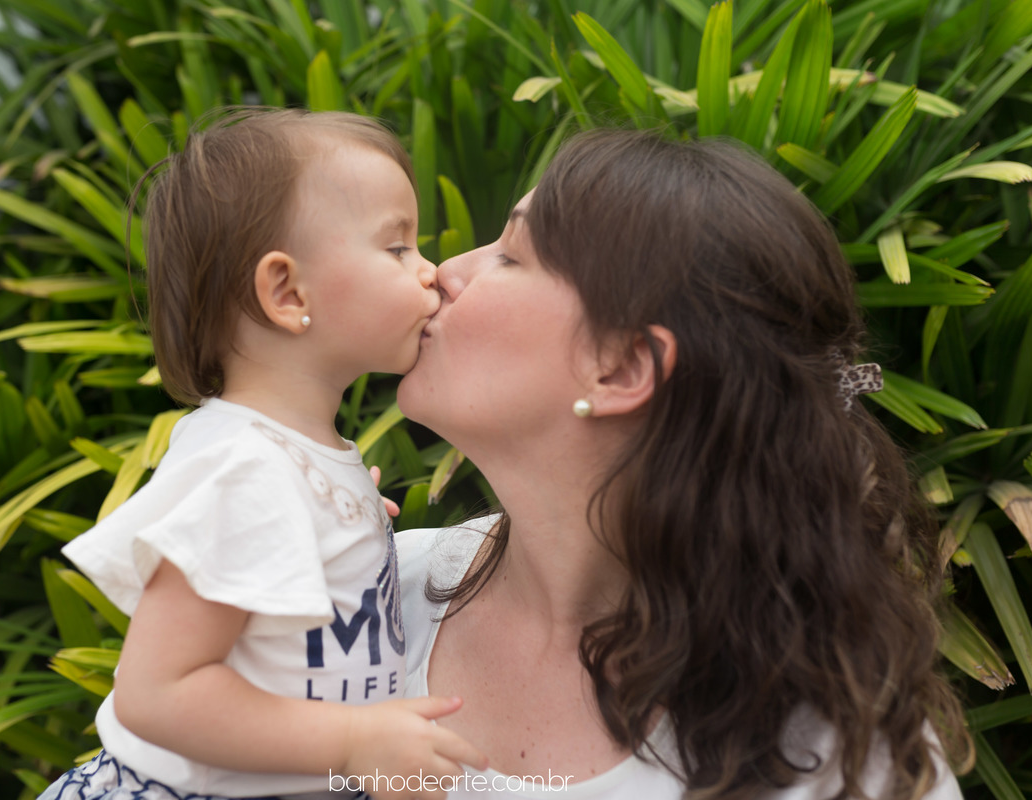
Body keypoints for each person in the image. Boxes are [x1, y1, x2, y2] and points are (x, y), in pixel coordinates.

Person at [395, 129, 973, 799]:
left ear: (623, 367)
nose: (443, 271)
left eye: (510, 255)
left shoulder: (841, 760)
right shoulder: (364, 597)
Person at [41, 108, 486, 800]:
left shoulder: (283, 463)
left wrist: (335, 518)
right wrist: (351, 742)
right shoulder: (246, 471)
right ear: (286, 292)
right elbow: (157, 693)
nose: (430, 272)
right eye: (398, 247)